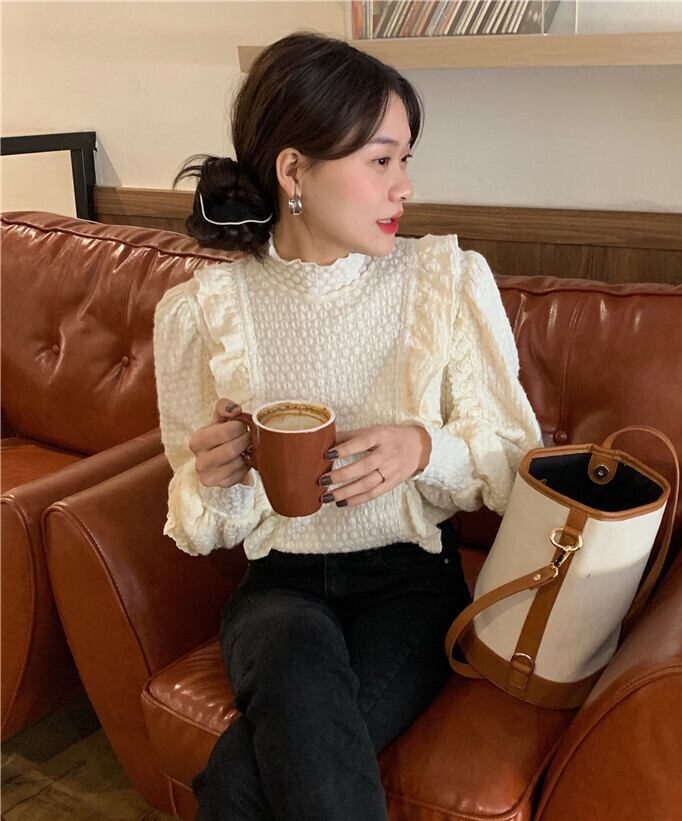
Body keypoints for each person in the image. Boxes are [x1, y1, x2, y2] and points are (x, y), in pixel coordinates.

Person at [153, 29, 542, 821]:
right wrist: (214, 476)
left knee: (241, 779)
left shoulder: (443, 281)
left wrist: (424, 448)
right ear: (294, 170)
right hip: (277, 587)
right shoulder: (205, 309)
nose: (405, 187)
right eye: (381, 160)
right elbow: (205, 524)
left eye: (406, 160)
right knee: (294, 672)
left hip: (410, 585)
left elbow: (514, 462)